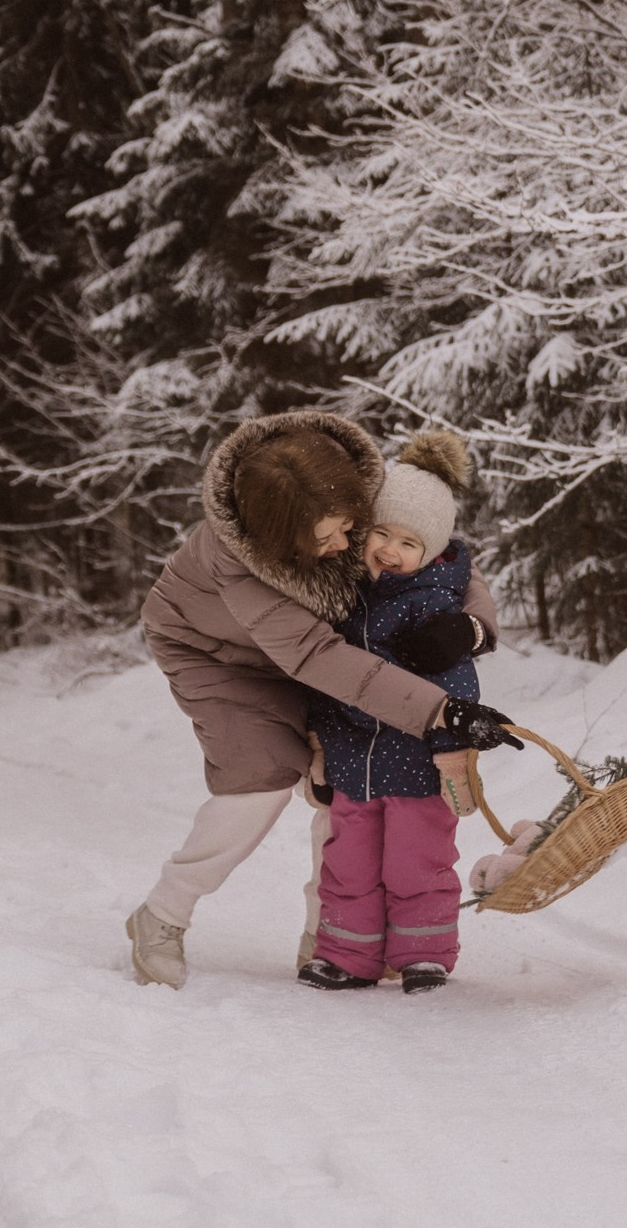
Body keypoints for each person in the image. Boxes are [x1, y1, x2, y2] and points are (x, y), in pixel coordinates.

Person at [125, 412, 497, 989]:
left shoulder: (337, 485)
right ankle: (163, 915)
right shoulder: (239, 565)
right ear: (282, 542)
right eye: (327, 541)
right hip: (221, 654)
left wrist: (471, 627)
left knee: (345, 780)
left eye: (352, 527)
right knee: (264, 776)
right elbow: (323, 661)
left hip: (324, 650)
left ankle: (331, 937)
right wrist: (438, 711)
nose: (348, 546)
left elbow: (443, 556)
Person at [297, 431, 520, 993]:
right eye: (382, 533)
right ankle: (349, 956)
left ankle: (424, 954)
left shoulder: (434, 608)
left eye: (408, 543)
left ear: (432, 552)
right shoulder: (342, 601)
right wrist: (321, 751)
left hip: (419, 766)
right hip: (353, 762)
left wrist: (450, 750)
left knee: (417, 864)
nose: (391, 551)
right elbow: (326, 682)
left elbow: (454, 683)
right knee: (347, 866)